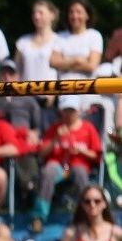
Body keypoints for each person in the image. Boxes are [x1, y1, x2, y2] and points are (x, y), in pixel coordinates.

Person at [32, 94, 102, 228]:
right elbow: (41, 153)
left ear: (79, 110)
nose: (69, 114)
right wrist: (55, 139)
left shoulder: (88, 128)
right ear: (61, 111)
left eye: (72, 110)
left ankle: (85, 216)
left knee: (80, 172)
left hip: (78, 166)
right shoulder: (55, 128)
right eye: (66, 110)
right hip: (58, 166)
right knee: (49, 171)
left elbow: (97, 155)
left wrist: (82, 151)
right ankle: (39, 216)